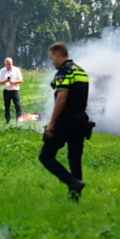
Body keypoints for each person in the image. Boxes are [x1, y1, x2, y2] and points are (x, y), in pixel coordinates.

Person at [40, 42, 92, 201]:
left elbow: (61, 99)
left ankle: (71, 182)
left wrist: (51, 123)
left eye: (51, 58)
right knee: (74, 159)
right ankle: (75, 197)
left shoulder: (64, 72)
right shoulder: (81, 71)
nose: (52, 62)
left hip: (66, 121)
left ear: (57, 55)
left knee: (46, 156)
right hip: (81, 121)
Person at [0, 57, 23, 123]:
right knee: (7, 106)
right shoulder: (2, 71)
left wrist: (13, 82)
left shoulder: (16, 70)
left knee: (17, 106)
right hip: (6, 91)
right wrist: (6, 80)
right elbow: (0, 82)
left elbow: (21, 80)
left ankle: (19, 120)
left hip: (14, 90)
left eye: (10, 64)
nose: (9, 66)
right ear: (5, 64)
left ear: (12, 63)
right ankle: (7, 121)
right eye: (7, 64)